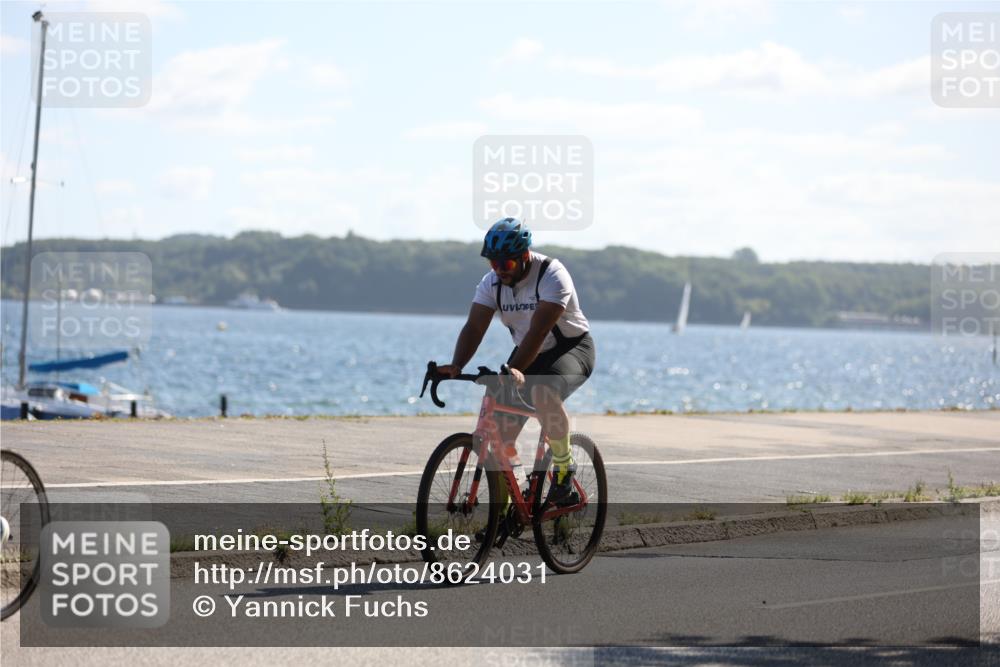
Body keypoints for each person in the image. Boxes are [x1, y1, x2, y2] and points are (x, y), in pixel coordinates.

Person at [437, 217, 595, 505]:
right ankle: (511, 506)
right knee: (497, 434)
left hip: (569, 349)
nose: (499, 271)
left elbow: (539, 330)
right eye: (493, 264)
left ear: (524, 256)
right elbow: (474, 328)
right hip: (528, 351)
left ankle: (563, 469)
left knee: (544, 391)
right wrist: (456, 364)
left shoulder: (552, 274)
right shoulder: (491, 283)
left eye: (506, 264)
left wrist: (516, 369)